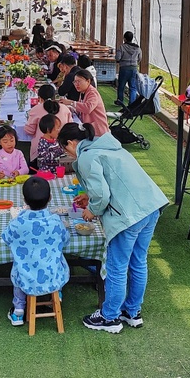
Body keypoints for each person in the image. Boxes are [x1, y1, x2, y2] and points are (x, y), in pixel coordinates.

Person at [57, 122, 168, 333]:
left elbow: (102, 195)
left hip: (127, 215)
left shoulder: (87, 157)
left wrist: (92, 209)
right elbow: (116, 180)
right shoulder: (110, 146)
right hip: (150, 206)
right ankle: (132, 311)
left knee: (117, 267)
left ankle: (110, 317)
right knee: (138, 261)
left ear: (70, 143)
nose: (67, 153)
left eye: (65, 148)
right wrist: (89, 196)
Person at [2, 176, 69, 326]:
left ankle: (18, 310)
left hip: (26, 276)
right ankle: (56, 294)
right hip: (53, 275)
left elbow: (6, 238)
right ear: (50, 198)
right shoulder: (56, 221)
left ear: (24, 200)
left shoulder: (18, 223)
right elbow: (65, 239)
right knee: (58, 260)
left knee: (20, 270)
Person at [24, 85, 72, 164]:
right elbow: (70, 128)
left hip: (40, 151)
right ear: (54, 96)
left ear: (40, 98)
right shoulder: (65, 108)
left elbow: (29, 131)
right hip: (62, 150)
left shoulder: (35, 109)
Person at [59, 69, 110, 136]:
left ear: (88, 81)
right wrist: (70, 108)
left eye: (79, 81)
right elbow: (81, 109)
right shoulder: (83, 92)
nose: (76, 84)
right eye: (75, 82)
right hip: (90, 128)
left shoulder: (92, 93)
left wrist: (71, 103)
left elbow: (88, 108)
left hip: (98, 131)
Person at [115, 31, 142, 107]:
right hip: (134, 69)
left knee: (121, 86)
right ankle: (132, 103)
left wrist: (119, 60)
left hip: (124, 68)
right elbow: (140, 58)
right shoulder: (138, 48)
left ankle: (120, 101)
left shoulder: (122, 47)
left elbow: (118, 58)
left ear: (124, 38)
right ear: (132, 38)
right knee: (133, 87)